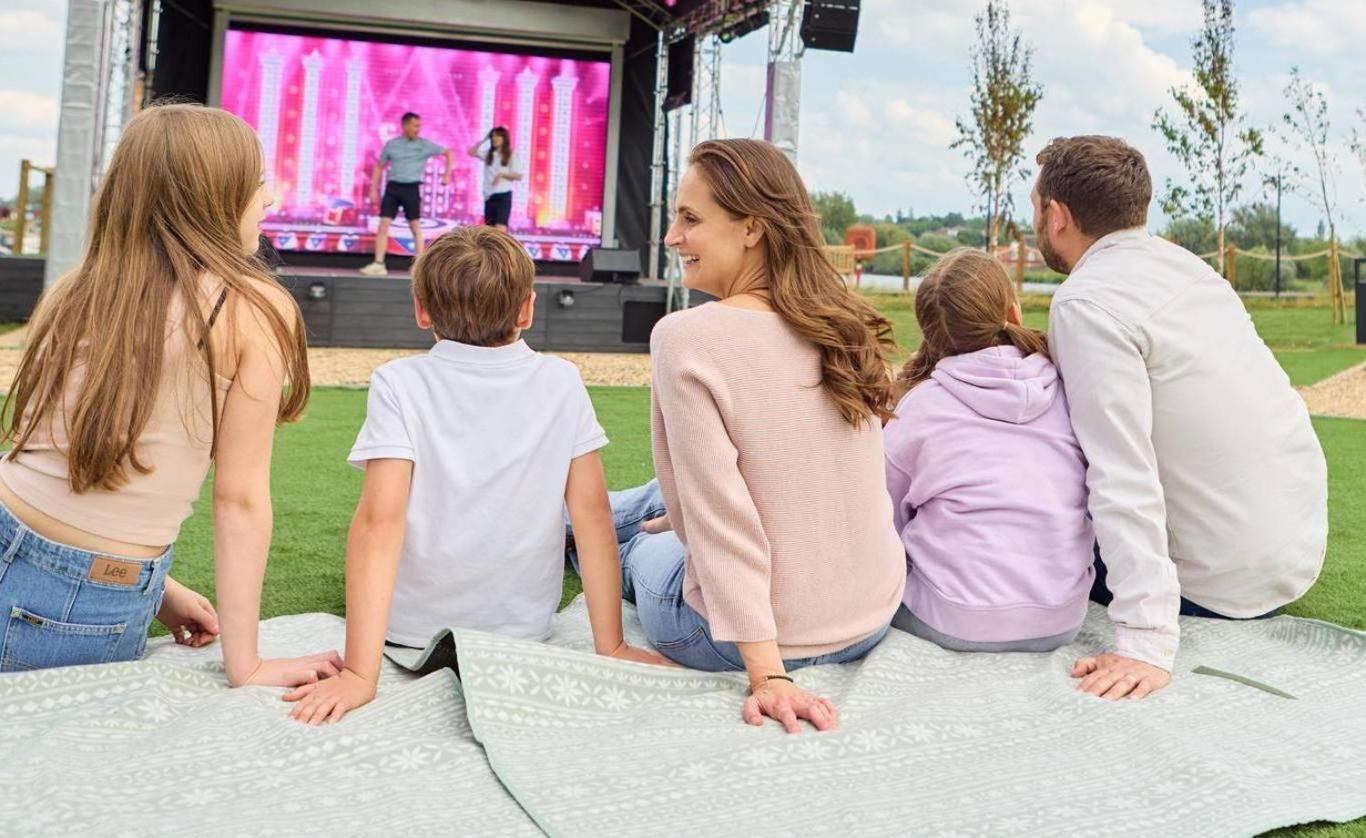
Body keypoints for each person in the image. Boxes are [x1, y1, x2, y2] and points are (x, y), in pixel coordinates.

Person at [0, 103, 342, 688]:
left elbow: (62, 461)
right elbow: (238, 500)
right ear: (213, 196)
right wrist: (247, 662)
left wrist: (159, 591)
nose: (270, 198)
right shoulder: (256, 308)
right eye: (257, 182)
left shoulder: (74, 289)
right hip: (76, 599)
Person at [286, 224, 669, 726]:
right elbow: (592, 515)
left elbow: (379, 523)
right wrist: (612, 644)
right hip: (526, 628)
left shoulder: (398, 383)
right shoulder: (562, 381)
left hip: (408, 630)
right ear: (527, 309)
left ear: (421, 310)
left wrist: (361, 672)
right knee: (632, 512)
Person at [591, 138, 905, 735]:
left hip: (743, 640)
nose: (671, 238)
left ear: (752, 228)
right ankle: (586, 513)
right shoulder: (845, 323)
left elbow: (720, 518)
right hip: (870, 619)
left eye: (690, 219)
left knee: (648, 548)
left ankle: (580, 527)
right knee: (666, 495)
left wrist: (770, 676)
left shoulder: (686, 337)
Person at [1033, 135, 1328, 701]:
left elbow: (1120, 471)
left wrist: (1144, 641)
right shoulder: (1190, 271)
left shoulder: (1086, 301)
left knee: (1016, 519)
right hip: (1289, 554)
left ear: (1057, 215)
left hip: (1219, 583)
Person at [883, 249, 1093, 653]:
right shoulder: (1067, 394)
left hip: (953, 618)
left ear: (929, 332)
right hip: (1062, 618)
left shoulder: (921, 409)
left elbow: (882, 517)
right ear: (1013, 313)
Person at [361, 112, 452, 275]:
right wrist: (373, 188)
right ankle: (379, 263)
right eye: (415, 125)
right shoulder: (392, 144)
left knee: (415, 227)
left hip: (411, 189)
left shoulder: (424, 145)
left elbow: (448, 153)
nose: (417, 129)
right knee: (383, 225)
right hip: (393, 188)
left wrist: (447, 174)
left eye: (419, 126)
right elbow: (379, 166)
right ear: (405, 126)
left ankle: (420, 266)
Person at [466, 126, 522, 228]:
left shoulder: (510, 155)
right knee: (490, 231)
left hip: (503, 195)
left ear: (504, 139)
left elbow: (519, 175)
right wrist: (484, 139)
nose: (494, 139)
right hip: (489, 195)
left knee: (500, 229)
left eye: (498, 136)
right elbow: (471, 152)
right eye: (492, 136)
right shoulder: (489, 154)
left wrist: (502, 174)